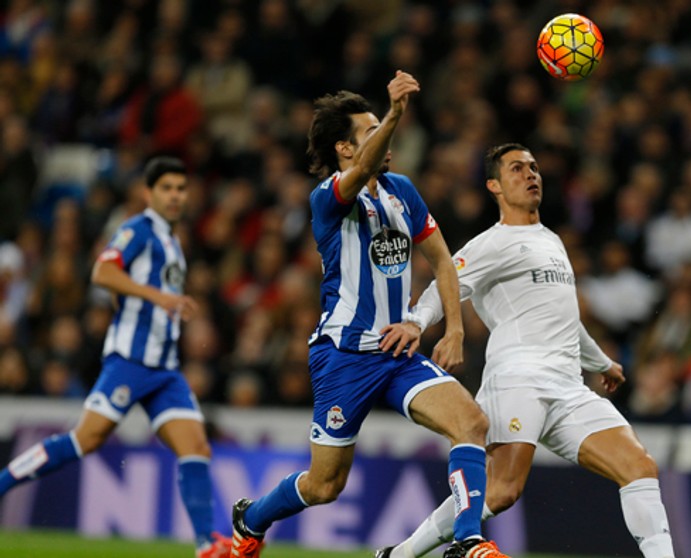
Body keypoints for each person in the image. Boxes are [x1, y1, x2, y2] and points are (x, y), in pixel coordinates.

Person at [228, 72, 509, 558]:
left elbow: (442, 260)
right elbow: (360, 173)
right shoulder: (329, 197)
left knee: (472, 424)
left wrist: (454, 328)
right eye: (371, 130)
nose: (385, 137)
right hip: (343, 356)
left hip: (397, 351)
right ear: (344, 149)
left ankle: (467, 542)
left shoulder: (402, 190)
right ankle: (251, 519)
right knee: (324, 486)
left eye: (383, 125)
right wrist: (397, 113)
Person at [379, 144, 678, 558]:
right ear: (494, 186)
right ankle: (402, 555)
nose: (530, 174)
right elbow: (446, 281)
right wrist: (416, 322)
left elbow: (565, 318)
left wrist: (601, 362)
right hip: (518, 378)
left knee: (639, 466)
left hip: (569, 386)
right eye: (517, 169)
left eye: (534, 167)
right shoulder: (492, 243)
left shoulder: (551, 240)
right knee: (500, 491)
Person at [0, 157, 232, 558]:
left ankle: (205, 545)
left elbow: (120, 288)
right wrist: (156, 297)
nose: (176, 195)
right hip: (130, 360)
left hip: (165, 369)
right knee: (85, 439)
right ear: (148, 193)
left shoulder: (174, 243)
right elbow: (103, 273)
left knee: (196, 445)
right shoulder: (137, 230)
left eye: (181, 188)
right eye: (167, 188)